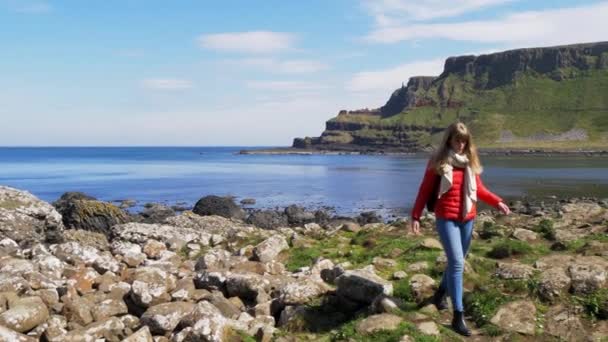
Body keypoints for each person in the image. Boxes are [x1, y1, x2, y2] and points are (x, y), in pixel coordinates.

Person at [410, 122, 510, 336]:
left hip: (468, 217)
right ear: (449, 139)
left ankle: (439, 294)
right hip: (446, 218)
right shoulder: (437, 161)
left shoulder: (469, 163)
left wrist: (497, 201)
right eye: (457, 140)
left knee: (459, 260)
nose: (461, 145)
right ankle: (458, 316)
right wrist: (415, 215)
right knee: (456, 263)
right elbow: (424, 189)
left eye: (464, 141)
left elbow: (479, 189)